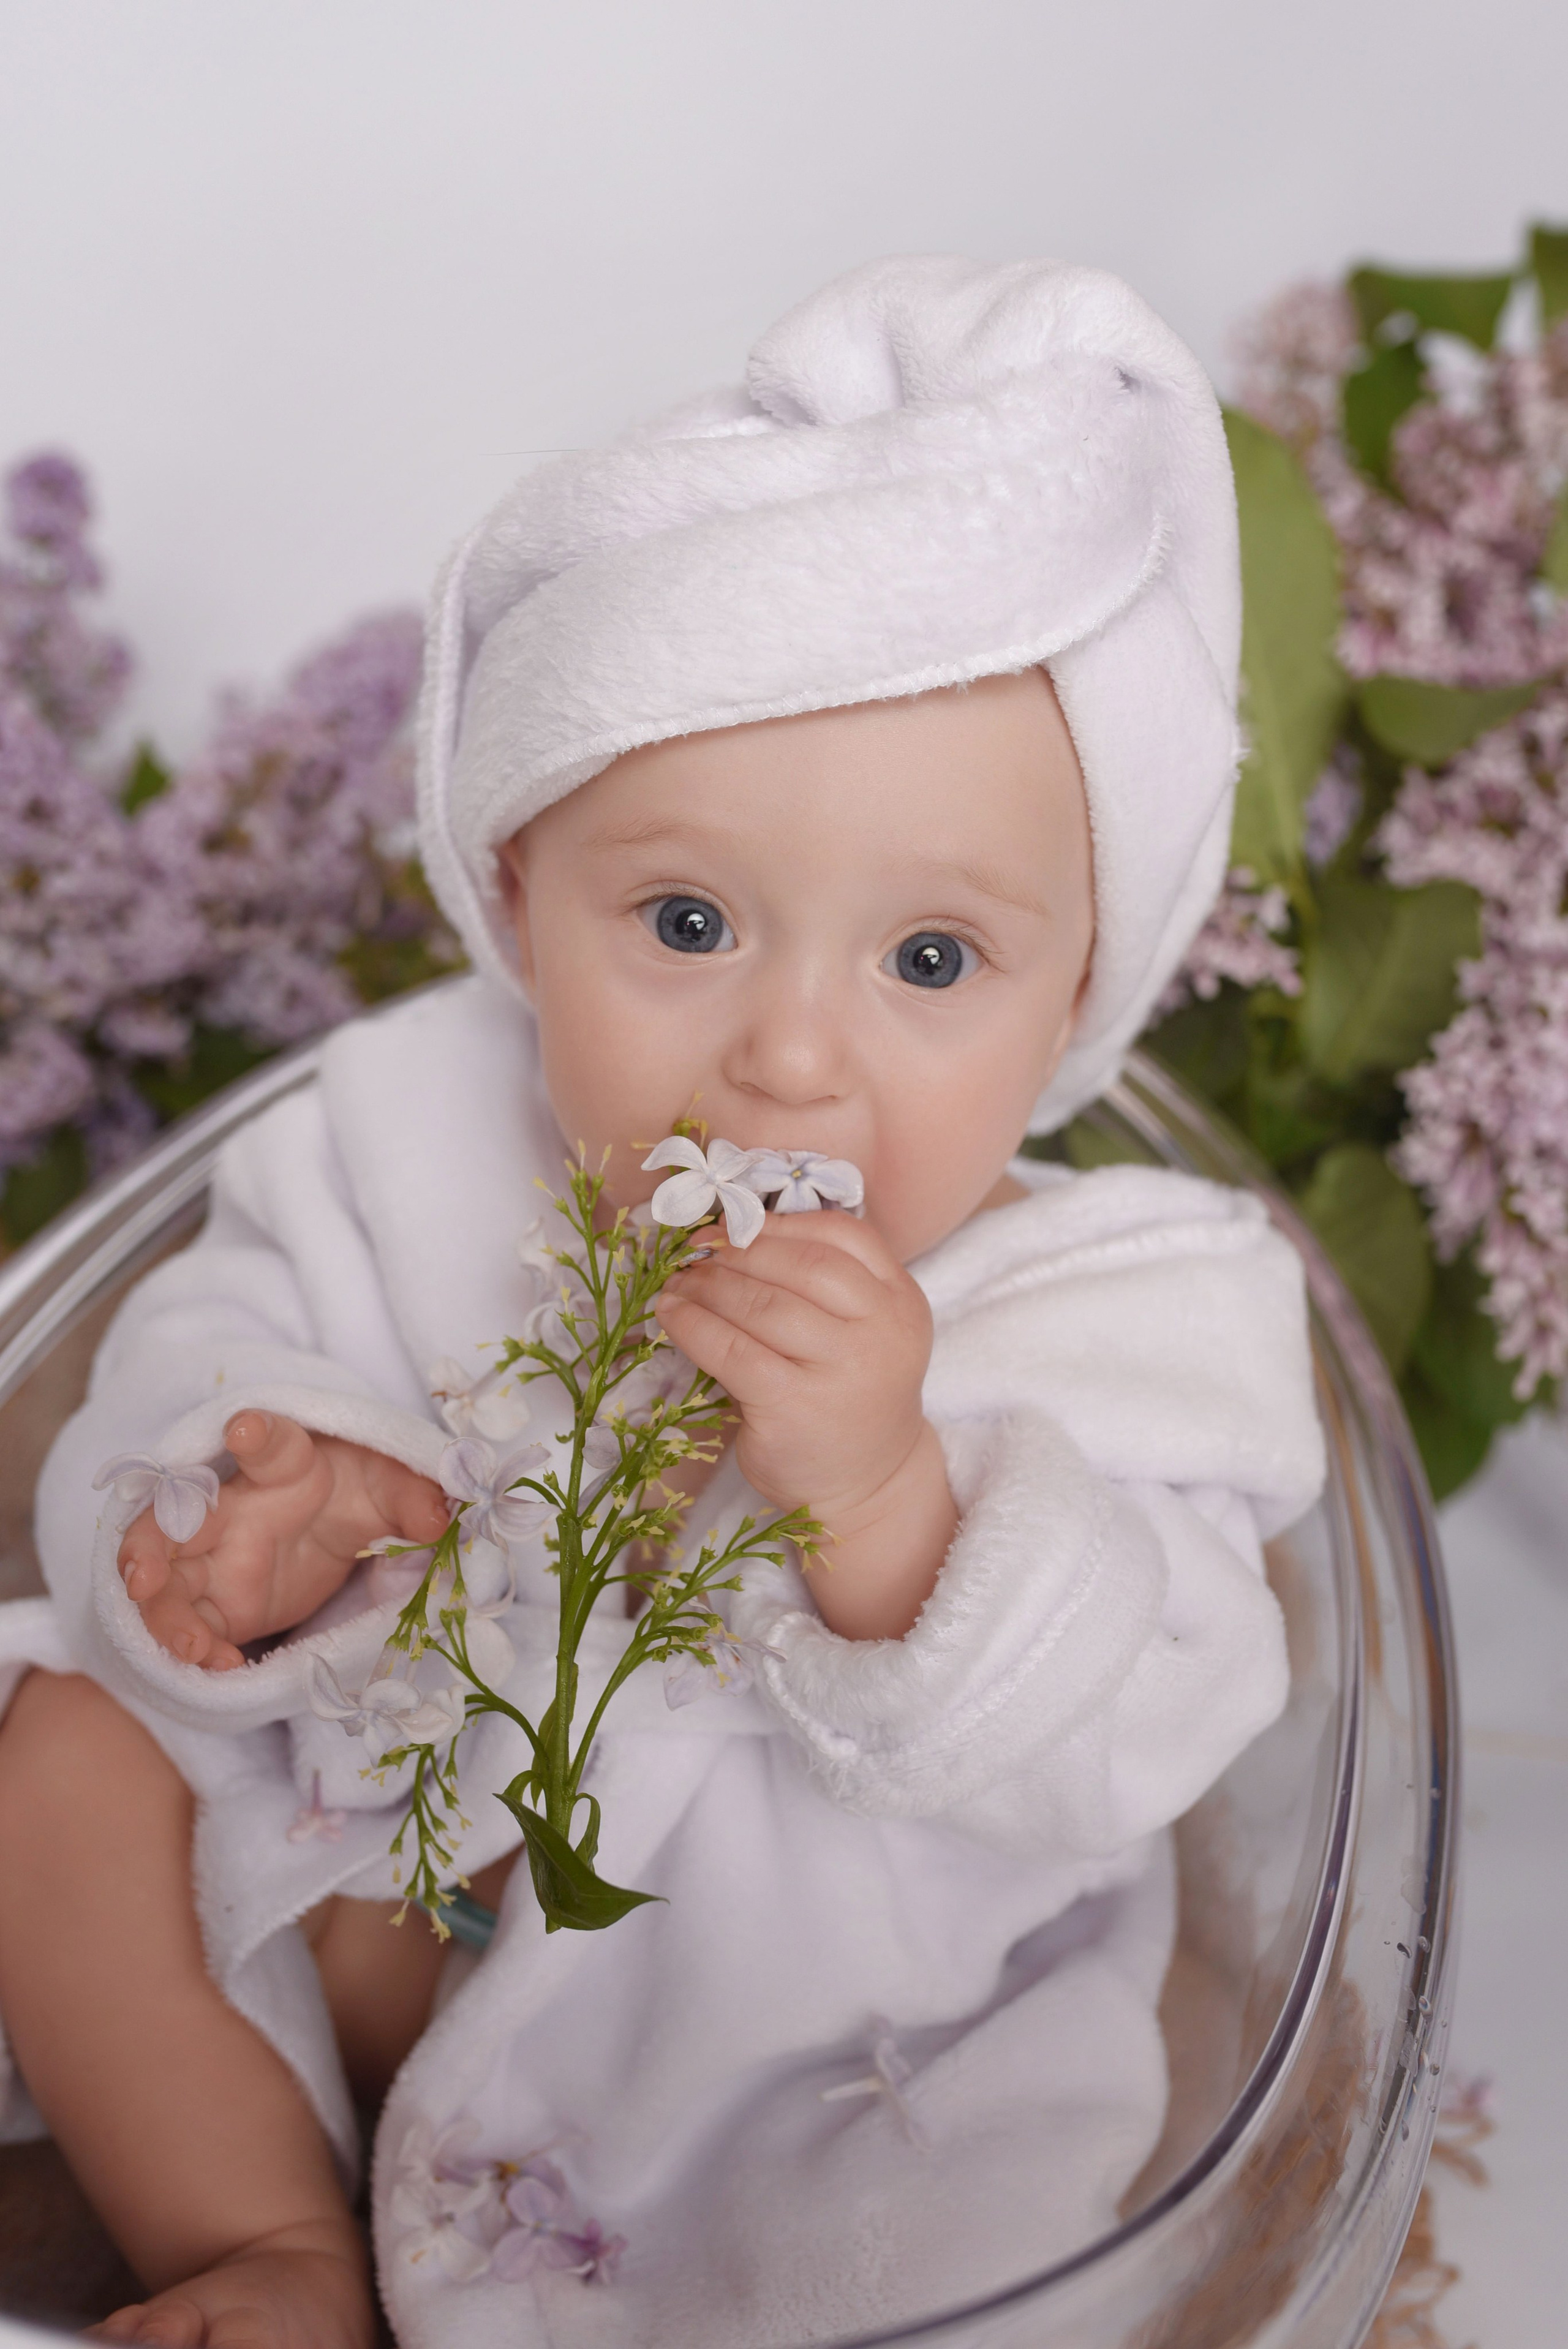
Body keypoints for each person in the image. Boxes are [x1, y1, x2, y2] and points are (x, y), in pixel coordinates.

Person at [0, 256, 1322, 2349]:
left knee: (891, 2223)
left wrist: (895, 1513)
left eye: (931, 962)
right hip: (388, 1890)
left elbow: (1147, 1715)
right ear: (522, 898)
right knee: (68, 1745)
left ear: (1083, 990)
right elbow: (200, 1346)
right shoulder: (405, 1127)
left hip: (771, 2040)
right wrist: (259, 1500)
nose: (790, 1058)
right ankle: (256, 2238)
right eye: (688, 920)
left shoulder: (1145, 1305)